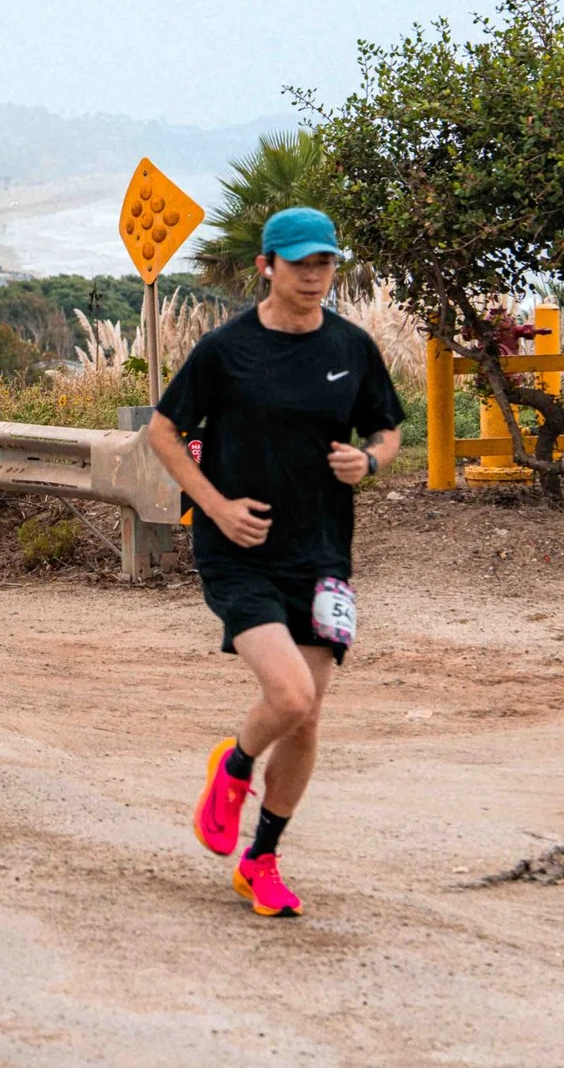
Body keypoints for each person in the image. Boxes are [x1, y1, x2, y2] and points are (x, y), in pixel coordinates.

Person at [150, 207, 403, 919]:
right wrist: (212, 504)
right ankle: (232, 767)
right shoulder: (226, 348)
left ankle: (261, 858)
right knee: (289, 697)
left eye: (324, 263)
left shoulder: (352, 346)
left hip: (321, 551)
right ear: (266, 266)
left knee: (308, 719)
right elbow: (164, 432)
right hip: (240, 548)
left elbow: (387, 430)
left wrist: (370, 459)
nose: (315, 276)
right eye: (300, 264)